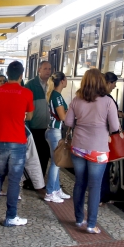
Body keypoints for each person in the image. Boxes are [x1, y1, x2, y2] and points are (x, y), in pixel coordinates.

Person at [64, 68, 120, 234]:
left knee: (80, 183)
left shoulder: (76, 100)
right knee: (94, 186)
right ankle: (91, 224)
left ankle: (79, 218)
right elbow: (115, 127)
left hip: (79, 147)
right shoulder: (108, 102)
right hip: (99, 149)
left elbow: (68, 122)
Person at [0, 61, 34, 227]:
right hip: (18, 141)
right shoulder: (26, 93)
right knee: (14, 180)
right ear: (21, 76)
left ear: (7, 74)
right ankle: (11, 216)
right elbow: (29, 117)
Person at [101, 72, 124, 205]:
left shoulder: (97, 96)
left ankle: (103, 196)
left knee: (102, 168)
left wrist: (122, 115)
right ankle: (102, 197)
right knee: (103, 168)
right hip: (105, 137)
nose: (114, 86)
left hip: (99, 137)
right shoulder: (106, 98)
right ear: (108, 82)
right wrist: (117, 130)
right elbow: (111, 120)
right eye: (113, 83)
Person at [23, 60, 52, 191]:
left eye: (49, 69)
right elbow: (26, 107)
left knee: (44, 154)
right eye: (45, 68)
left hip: (47, 127)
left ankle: (39, 180)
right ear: (39, 70)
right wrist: (27, 127)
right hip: (34, 127)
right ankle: (30, 181)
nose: (48, 71)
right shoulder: (31, 85)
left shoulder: (51, 85)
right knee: (33, 156)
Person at [44, 71, 71, 203]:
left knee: (57, 162)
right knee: (56, 163)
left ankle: (56, 189)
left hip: (52, 130)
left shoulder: (55, 95)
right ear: (62, 81)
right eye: (66, 79)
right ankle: (50, 192)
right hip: (55, 131)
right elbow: (63, 117)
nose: (67, 81)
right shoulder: (57, 96)